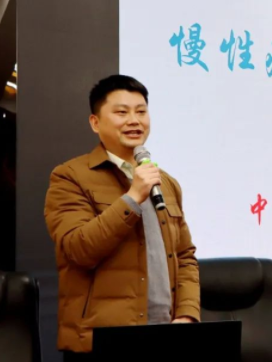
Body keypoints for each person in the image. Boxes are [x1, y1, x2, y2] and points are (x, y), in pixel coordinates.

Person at [44, 75, 200, 361]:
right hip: (102, 341)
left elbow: (185, 256)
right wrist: (133, 197)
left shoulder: (165, 182)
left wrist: (187, 314)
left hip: (167, 336)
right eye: (122, 112)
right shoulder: (69, 177)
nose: (134, 120)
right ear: (95, 122)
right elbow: (78, 249)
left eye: (141, 111)